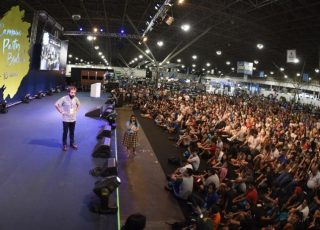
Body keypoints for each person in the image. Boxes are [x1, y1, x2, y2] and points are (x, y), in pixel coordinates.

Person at [55, 86, 80, 151]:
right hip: (66, 119)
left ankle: (72, 143)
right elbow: (56, 104)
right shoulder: (64, 98)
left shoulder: (76, 98)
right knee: (65, 132)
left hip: (73, 119)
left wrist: (77, 111)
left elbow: (79, 104)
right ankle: (64, 144)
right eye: (72, 92)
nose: (73, 94)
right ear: (68, 92)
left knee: (72, 132)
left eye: (74, 93)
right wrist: (61, 112)